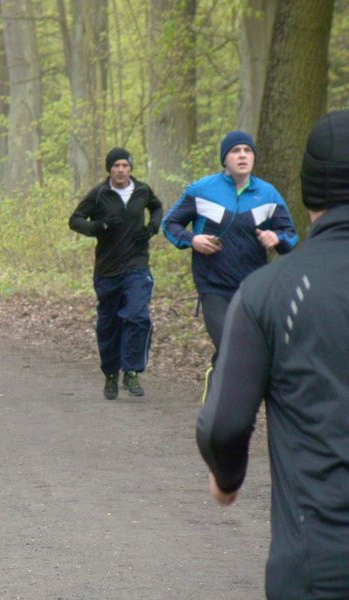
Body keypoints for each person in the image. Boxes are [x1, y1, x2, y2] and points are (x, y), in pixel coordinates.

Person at [197, 110, 349, 599]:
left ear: (307, 192)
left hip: (320, 561)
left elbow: (224, 424)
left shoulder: (268, 293)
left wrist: (227, 477)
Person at [162, 131, 298, 386]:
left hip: (252, 289)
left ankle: (218, 388)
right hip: (213, 287)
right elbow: (169, 224)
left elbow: (290, 236)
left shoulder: (268, 194)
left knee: (244, 352)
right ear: (224, 158)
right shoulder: (201, 190)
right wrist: (192, 240)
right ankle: (220, 396)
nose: (242, 155)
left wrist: (277, 238)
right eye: (236, 151)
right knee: (230, 345)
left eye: (248, 151)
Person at [68, 147, 163, 399]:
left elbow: (157, 207)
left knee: (138, 315)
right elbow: (75, 220)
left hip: (137, 265)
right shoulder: (99, 194)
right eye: (116, 166)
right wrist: (98, 226)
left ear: (130, 168)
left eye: (125, 165)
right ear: (109, 169)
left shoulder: (142, 190)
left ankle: (131, 371)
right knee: (109, 325)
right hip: (107, 269)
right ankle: (111, 374)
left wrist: (152, 228)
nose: (121, 170)